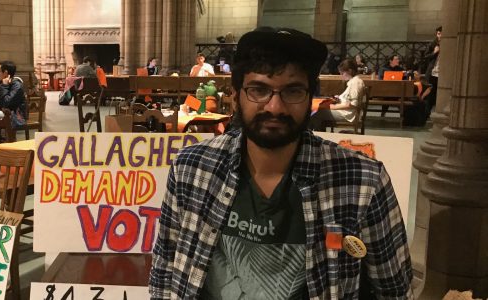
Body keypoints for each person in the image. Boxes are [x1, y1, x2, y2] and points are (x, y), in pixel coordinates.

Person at [150, 27, 412, 299]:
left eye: (293, 91)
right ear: (236, 96)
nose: (275, 106)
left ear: (310, 97)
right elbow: (164, 271)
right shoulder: (192, 168)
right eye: (259, 89)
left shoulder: (363, 182)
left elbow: (393, 291)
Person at [310, 58, 366, 131]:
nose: (341, 75)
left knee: (316, 113)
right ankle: (319, 131)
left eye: (342, 73)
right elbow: (349, 99)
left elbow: (351, 104)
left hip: (347, 115)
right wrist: (339, 98)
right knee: (319, 109)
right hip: (346, 112)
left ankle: (317, 134)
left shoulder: (355, 83)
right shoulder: (355, 81)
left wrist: (332, 107)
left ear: (350, 71)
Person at [423, 26, 442, 115]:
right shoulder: (433, 44)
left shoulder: (450, 43)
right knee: (430, 95)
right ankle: (426, 115)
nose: (440, 36)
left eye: (441, 33)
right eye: (438, 34)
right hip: (433, 72)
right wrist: (434, 52)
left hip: (444, 74)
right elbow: (426, 57)